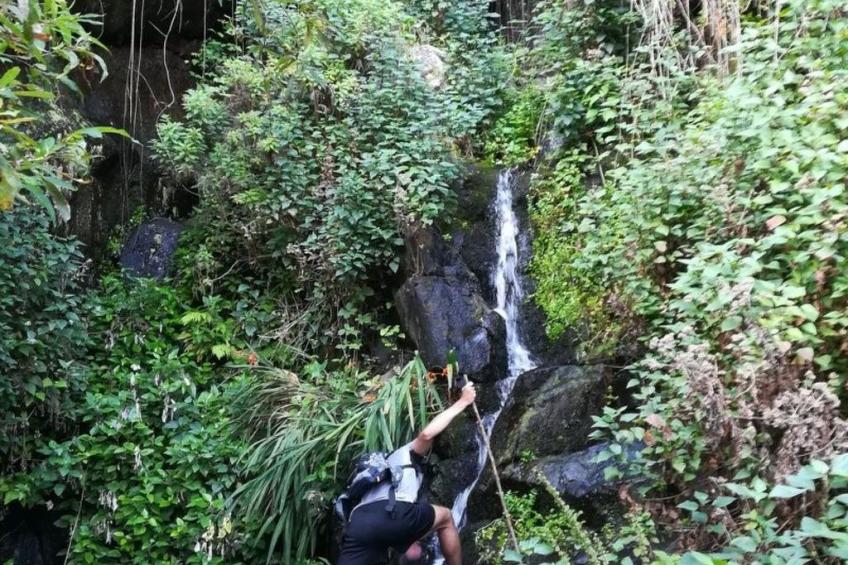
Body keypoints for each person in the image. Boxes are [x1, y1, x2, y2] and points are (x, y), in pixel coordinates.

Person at [337, 382, 477, 565]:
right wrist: (463, 401)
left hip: (358, 525)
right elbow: (426, 435)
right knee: (445, 517)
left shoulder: (381, 474)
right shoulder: (404, 454)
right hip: (392, 514)